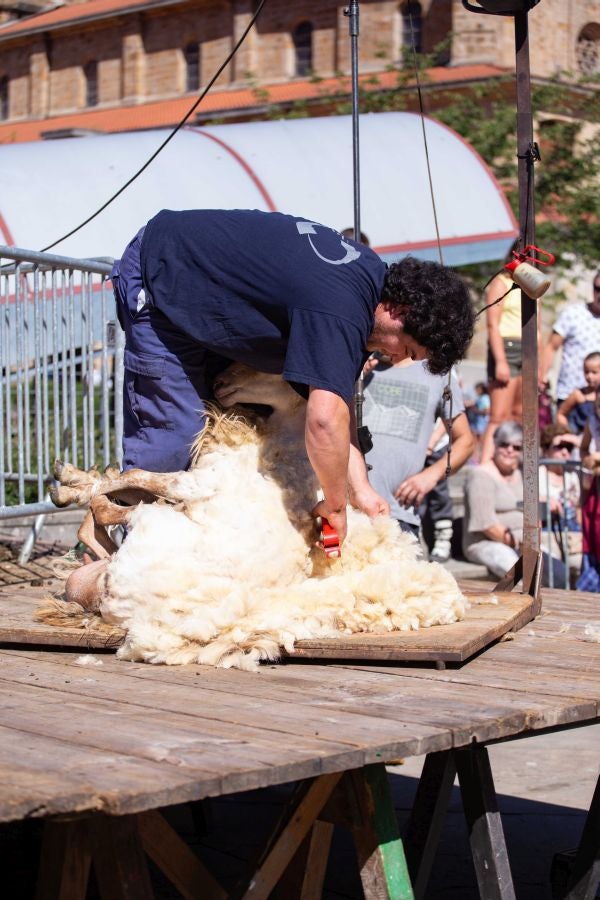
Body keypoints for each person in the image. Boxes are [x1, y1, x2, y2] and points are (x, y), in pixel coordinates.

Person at [111, 209, 475, 546]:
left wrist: (361, 489)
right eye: (407, 349)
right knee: (174, 436)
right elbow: (323, 421)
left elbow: (339, 409)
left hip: (201, 294)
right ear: (401, 311)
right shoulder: (342, 310)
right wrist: (335, 506)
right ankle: (131, 562)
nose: (397, 358)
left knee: (214, 442)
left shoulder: (366, 297)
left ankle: (164, 553)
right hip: (163, 273)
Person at [362, 356, 473, 547]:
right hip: (349, 510)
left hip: (398, 515)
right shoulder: (358, 363)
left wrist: (431, 475)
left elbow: (466, 441)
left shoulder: (438, 371)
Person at [463, 421, 566, 585]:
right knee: (522, 574)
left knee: (558, 572)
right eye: (504, 444)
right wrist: (519, 543)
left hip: (522, 543)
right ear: (495, 444)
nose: (510, 450)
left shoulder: (520, 473)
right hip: (487, 542)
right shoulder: (480, 475)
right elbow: (487, 525)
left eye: (516, 447)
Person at [480, 267, 523, 462]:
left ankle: (513, 464)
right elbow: (492, 324)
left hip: (528, 349)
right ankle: (486, 465)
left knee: (519, 414)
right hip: (507, 348)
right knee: (499, 416)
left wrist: (539, 368)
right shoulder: (502, 282)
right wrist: (500, 361)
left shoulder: (534, 285)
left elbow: (538, 327)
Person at [540, 271, 600, 406]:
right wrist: (542, 377)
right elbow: (551, 347)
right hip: (569, 395)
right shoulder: (573, 314)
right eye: (598, 289)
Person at [538, 423, 581, 582]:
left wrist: (577, 442)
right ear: (546, 449)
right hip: (547, 534)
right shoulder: (537, 474)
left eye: (569, 447)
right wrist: (544, 501)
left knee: (582, 565)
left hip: (573, 534)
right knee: (554, 571)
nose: (565, 452)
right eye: (559, 447)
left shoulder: (574, 474)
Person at [576, 386, 600, 592]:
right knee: (594, 530)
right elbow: (583, 448)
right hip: (597, 484)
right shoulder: (592, 420)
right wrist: (589, 460)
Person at [556, 351, 600, 435]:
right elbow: (561, 414)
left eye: (594, 372)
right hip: (579, 437)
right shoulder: (578, 394)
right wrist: (567, 432)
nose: (589, 376)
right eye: (586, 372)